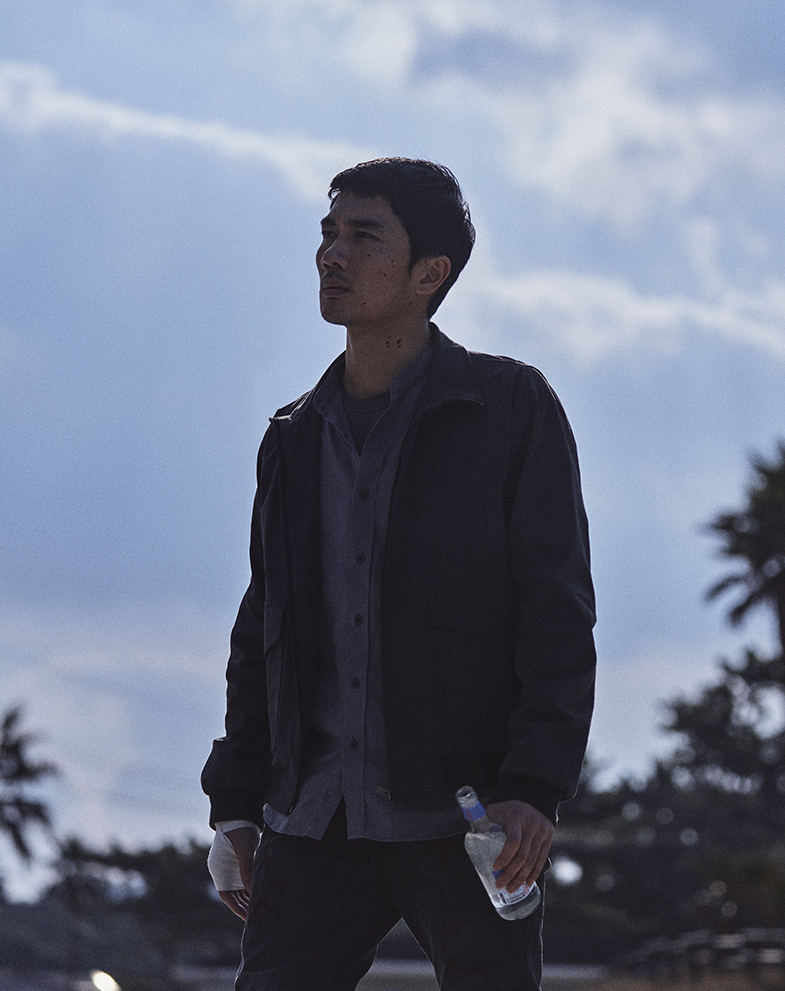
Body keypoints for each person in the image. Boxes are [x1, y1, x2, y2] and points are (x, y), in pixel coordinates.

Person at [200, 157, 596, 991]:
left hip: (468, 816)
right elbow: (262, 626)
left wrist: (533, 786)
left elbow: (555, 610)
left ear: (429, 273)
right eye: (328, 233)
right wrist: (235, 803)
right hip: (314, 816)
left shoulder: (510, 408)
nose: (332, 253)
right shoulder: (292, 437)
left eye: (363, 235)